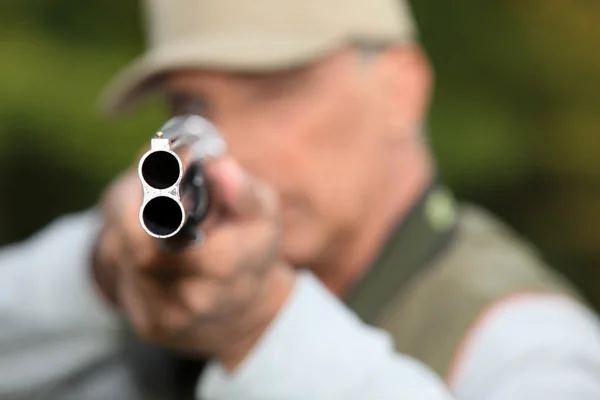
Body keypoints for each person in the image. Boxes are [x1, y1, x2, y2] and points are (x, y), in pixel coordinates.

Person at [2, 0, 600, 399]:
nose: (232, 144)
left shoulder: (526, 339)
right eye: (194, 104)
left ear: (400, 87)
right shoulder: (162, 281)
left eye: (275, 91)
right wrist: (102, 274)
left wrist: (258, 330)